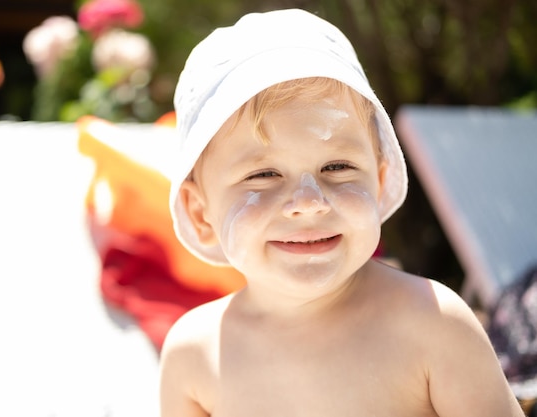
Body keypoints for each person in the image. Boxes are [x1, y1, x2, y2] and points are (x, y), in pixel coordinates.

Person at [159, 9, 524, 417]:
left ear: (380, 180)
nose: (309, 201)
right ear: (201, 212)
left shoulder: (432, 324)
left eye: (337, 167)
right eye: (263, 174)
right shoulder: (194, 356)